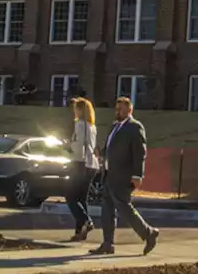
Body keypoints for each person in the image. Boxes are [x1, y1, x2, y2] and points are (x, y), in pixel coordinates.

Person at [91, 95, 159, 256]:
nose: (117, 112)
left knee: (124, 208)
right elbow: (111, 148)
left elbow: (140, 153)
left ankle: (148, 233)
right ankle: (108, 244)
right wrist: (101, 152)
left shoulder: (135, 127)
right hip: (109, 174)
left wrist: (137, 174)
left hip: (123, 176)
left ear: (130, 110)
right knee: (106, 211)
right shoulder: (115, 126)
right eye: (116, 109)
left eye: (121, 109)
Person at [66, 96, 100, 242]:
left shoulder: (80, 125)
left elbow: (79, 146)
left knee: (71, 197)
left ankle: (86, 221)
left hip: (81, 163)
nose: (74, 112)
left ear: (80, 110)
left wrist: (68, 146)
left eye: (76, 109)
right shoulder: (92, 127)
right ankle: (80, 231)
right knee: (81, 198)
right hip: (92, 164)